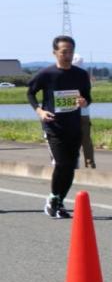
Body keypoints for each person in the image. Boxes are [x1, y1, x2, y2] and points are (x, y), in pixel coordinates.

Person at [27, 35, 91, 218]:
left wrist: (84, 102)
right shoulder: (46, 74)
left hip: (74, 125)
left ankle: (59, 201)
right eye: (64, 52)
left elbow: (88, 98)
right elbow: (30, 93)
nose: (68, 55)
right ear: (55, 52)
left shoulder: (80, 75)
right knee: (62, 164)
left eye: (70, 51)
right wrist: (39, 111)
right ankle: (53, 198)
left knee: (70, 167)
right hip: (53, 127)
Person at [72, 55, 96, 169]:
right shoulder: (85, 75)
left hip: (70, 113)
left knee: (71, 140)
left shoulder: (66, 75)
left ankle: (74, 163)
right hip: (84, 113)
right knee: (86, 140)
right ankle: (90, 164)